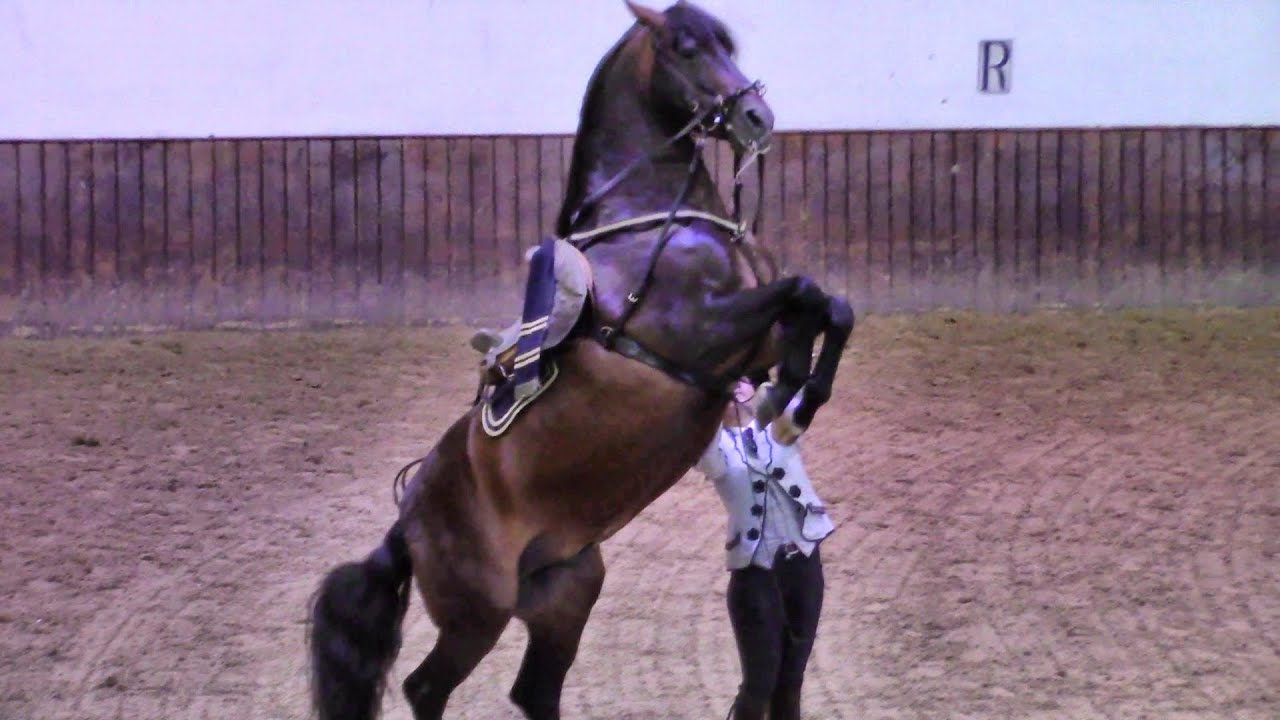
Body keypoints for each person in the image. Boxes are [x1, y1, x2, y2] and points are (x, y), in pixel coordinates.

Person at [694, 376, 836, 720]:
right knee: (760, 682)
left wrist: (765, 384)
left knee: (791, 680)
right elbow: (710, 460)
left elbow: (802, 394)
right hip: (755, 572)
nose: (733, 394)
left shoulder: (778, 429)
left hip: (803, 562)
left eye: (740, 385)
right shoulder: (710, 444)